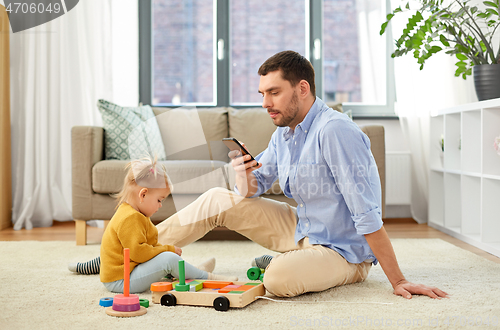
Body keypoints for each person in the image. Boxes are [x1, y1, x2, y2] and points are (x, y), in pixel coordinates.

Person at [72, 51, 448, 300]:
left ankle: (295, 266)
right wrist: (242, 175)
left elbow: (367, 214)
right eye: (261, 93)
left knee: (277, 282)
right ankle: (124, 258)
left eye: (273, 92)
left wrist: (397, 279)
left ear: (302, 89)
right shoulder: (283, 134)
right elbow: (251, 190)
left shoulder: (335, 132)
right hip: (302, 227)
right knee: (218, 198)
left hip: (342, 250)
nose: (265, 103)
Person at [74, 156, 237, 294]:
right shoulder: (130, 218)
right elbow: (139, 253)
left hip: (128, 273)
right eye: (159, 200)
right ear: (143, 194)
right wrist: (167, 249)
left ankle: (189, 272)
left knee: (167, 259)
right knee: (168, 259)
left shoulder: (137, 213)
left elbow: (149, 246)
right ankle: (206, 277)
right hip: (120, 281)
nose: (160, 205)